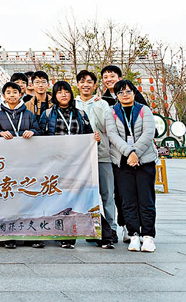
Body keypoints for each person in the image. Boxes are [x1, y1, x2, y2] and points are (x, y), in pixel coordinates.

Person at [37, 80, 96, 249]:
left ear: (71, 94)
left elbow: (89, 136)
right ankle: (55, 231)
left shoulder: (81, 114)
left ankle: (68, 236)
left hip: (76, 164)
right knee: (55, 198)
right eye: (59, 92)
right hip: (55, 162)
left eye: (66, 91)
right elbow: (41, 137)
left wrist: (95, 140)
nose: (63, 95)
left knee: (72, 198)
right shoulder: (47, 114)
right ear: (54, 96)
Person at [104, 79, 158, 253]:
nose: (125, 95)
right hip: (122, 162)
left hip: (145, 161)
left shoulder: (144, 110)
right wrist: (129, 153)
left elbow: (149, 133)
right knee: (127, 200)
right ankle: (134, 234)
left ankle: (148, 236)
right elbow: (112, 135)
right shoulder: (111, 112)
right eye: (120, 92)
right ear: (116, 95)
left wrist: (135, 153)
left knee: (146, 199)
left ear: (134, 93)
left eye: (128, 91)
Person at [0, 81, 39, 249]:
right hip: (7, 163)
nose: (11, 95)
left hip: (27, 162)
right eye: (8, 92)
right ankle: (9, 235)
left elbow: (39, 131)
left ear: (20, 94)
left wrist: (33, 132)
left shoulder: (29, 115)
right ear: (3, 96)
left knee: (28, 197)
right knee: (8, 198)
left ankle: (31, 235)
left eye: (15, 92)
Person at [74, 70, 116, 248]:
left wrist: (98, 106)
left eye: (89, 82)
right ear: (77, 84)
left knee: (107, 194)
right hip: (78, 159)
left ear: (95, 85)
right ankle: (83, 228)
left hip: (101, 155)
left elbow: (107, 127)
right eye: (82, 81)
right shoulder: (71, 103)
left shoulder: (102, 104)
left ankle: (111, 229)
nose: (86, 85)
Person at [100, 64, 124, 241]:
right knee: (112, 192)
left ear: (119, 78)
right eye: (105, 77)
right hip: (110, 153)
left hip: (128, 152)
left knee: (124, 192)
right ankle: (111, 228)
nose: (109, 79)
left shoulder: (131, 95)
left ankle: (129, 228)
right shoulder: (103, 100)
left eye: (112, 76)